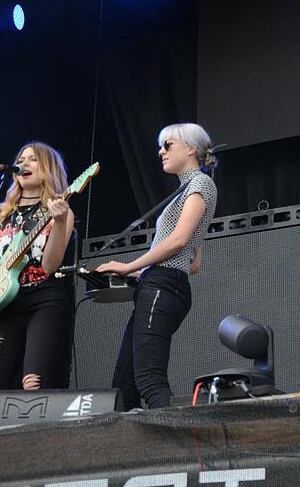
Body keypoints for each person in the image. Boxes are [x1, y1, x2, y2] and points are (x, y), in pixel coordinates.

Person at [96, 122, 218, 410]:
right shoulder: (186, 190)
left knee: (150, 380)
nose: (161, 152)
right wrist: (141, 272)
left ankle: (179, 437)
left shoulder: (200, 184)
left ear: (191, 149)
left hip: (163, 287)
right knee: (124, 384)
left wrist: (129, 267)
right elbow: (194, 262)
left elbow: (178, 241)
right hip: (160, 283)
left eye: (168, 145)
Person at [0, 142, 75, 391]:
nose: (24, 164)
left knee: (34, 383)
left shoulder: (60, 211)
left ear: (49, 168)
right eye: (21, 159)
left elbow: (50, 265)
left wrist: (60, 222)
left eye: (33, 159)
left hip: (44, 300)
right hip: (3, 305)